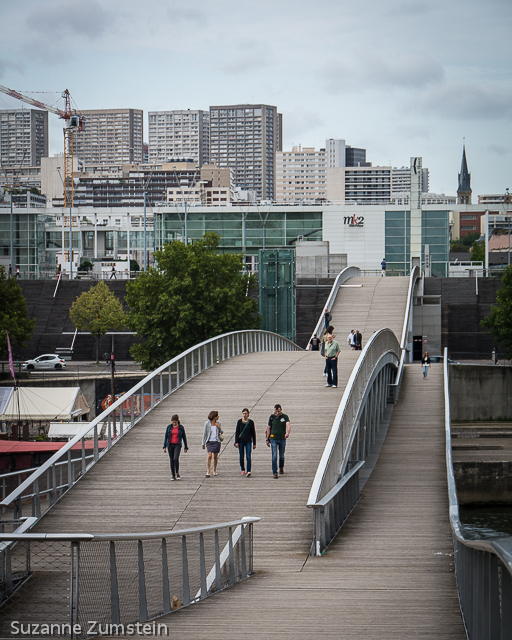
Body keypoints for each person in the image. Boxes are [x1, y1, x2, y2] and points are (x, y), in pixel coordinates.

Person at [266, 404, 291, 479]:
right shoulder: (272, 417)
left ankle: (281, 467)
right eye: (276, 411)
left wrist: (287, 432)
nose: (277, 413)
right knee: (274, 456)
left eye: (278, 411)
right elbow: (269, 428)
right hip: (273, 438)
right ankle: (275, 472)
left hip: (282, 439)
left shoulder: (284, 417)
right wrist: (267, 439)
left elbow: (288, 424)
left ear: (281, 410)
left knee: (281, 456)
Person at [163, 414, 188, 480]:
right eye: (173, 422)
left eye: (175, 422)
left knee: (175, 458)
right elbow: (166, 437)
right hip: (170, 444)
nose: (174, 423)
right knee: (171, 459)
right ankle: (173, 475)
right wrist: (164, 446)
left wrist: (186, 447)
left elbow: (184, 437)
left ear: (178, 421)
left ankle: (177, 472)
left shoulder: (181, 427)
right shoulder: (169, 427)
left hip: (177, 444)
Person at [235, 408, 256, 476]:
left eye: (246, 413)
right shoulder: (239, 422)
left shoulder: (251, 422)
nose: (244, 415)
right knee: (241, 456)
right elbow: (237, 432)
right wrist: (236, 442)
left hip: (248, 441)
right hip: (241, 441)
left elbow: (253, 433)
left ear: (248, 414)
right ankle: (243, 469)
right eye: (243, 413)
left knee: (248, 456)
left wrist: (254, 443)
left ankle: (248, 470)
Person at [202, 410, 223, 477]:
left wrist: (219, 427)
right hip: (209, 441)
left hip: (216, 441)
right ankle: (208, 471)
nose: (218, 417)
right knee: (209, 456)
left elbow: (222, 432)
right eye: (217, 415)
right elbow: (205, 434)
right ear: (214, 416)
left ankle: (214, 470)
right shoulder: (207, 423)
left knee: (215, 456)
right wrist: (203, 443)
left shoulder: (218, 423)